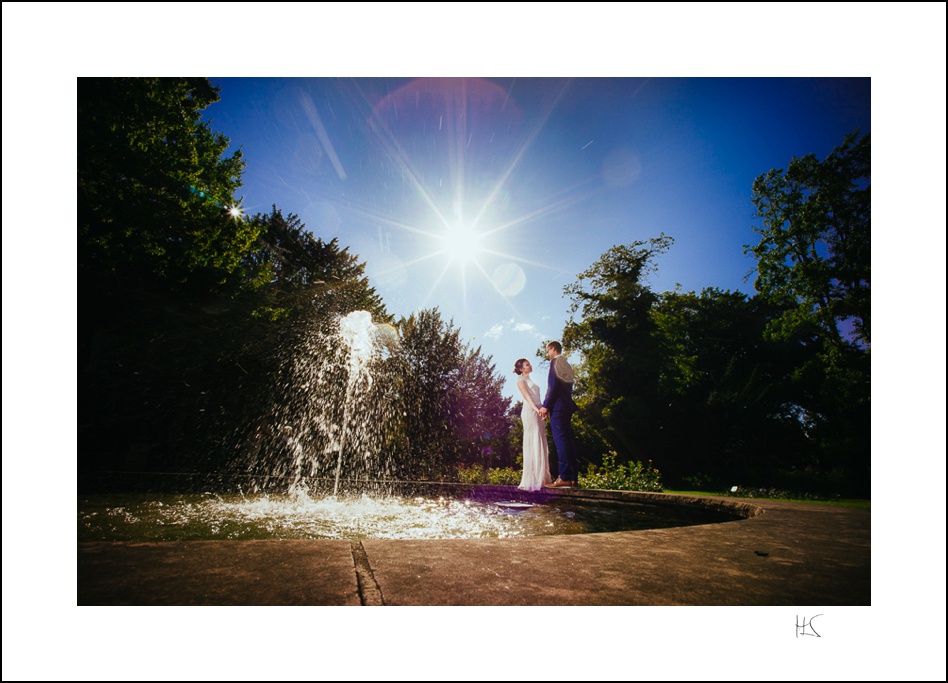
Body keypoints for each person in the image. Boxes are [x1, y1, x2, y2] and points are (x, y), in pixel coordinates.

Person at [538, 341, 579, 488]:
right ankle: (573, 478)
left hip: (558, 408)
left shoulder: (555, 362)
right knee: (568, 441)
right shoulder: (566, 364)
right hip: (567, 407)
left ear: (553, 349)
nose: (547, 354)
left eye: (548, 351)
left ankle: (564, 477)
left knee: (561, 441)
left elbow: (553, 386)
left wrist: (546, 406)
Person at [513, 358, 552, 491]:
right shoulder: (520, 380)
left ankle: (542, 477)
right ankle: (534, 479)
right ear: (521, 369)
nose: (530, 366)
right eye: (527, 364)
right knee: (534, 440)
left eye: (529, 363)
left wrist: (543, 410)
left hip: (539, 411)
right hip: (530, 412)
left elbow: (537, 398)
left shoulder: (530, 379)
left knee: (541, 440)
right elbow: (527, 397)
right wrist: (537, 410)